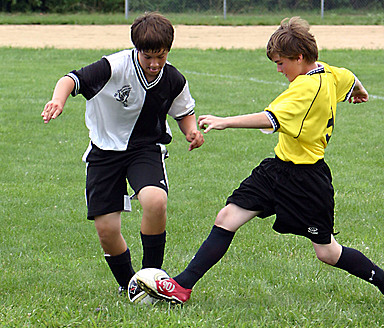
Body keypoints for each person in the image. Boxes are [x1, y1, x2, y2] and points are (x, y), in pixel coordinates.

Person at [136, 16, 384, 304]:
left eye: (281, 63)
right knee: (227, 217)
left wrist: (224, 121)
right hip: (277, 170)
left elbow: (268, 118)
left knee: (327, 252)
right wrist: (359, 89)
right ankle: (181, 286)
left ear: (299, 57)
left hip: (307, 180)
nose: (279, 69)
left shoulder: (304, 89)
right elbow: (349, 77)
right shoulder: (327, 73)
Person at [41, 12, 204, 295]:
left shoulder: (173, 79)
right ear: (136, 49)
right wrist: (58, 99)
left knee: (155, 200)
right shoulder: (112, 67)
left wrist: (191, 131)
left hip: (144, 148)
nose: (155, 64)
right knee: (106, 229)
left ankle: (152, 279)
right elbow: (70, 79)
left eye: (161, 56)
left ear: (168, 50)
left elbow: (183, 112)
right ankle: (130, 285)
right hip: (104, 152)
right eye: (148, 56)